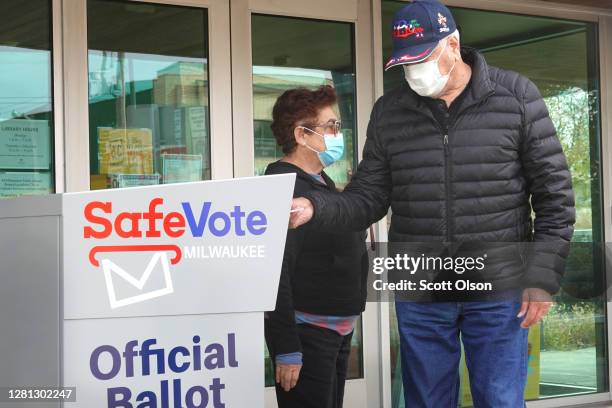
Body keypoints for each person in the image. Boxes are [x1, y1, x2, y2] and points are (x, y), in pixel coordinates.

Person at [289, 1, 575, 407]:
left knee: (499, 398)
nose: (413, 73)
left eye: (421, 59)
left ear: (453, 44)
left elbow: (555, 196)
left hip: (497, 286)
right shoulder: (391, 111)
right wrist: (316, 207)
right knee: (425, 400)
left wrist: (542, 277)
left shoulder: (515, 96)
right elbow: (368, 196)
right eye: (405, 63)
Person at [264, 85, 369, 408]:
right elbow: (274, 275)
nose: (338, 134)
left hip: (337, 331)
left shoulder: (323, 184)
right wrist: (286, 347)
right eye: (331, 126)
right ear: (301, 135)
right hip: (308, 334)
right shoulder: (284, 189)